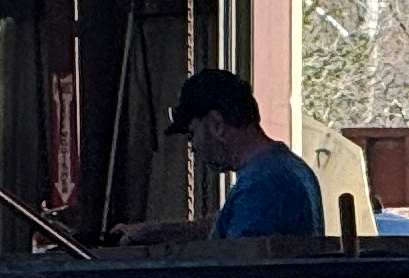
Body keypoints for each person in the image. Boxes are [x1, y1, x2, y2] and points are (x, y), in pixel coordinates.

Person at [114, 68, 327, 247]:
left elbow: (240, 271)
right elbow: (225, 219)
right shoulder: (287, 167)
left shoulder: (263, 186)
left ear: (217, 124)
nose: (193, 147)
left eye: (192, 134)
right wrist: (151, 232)